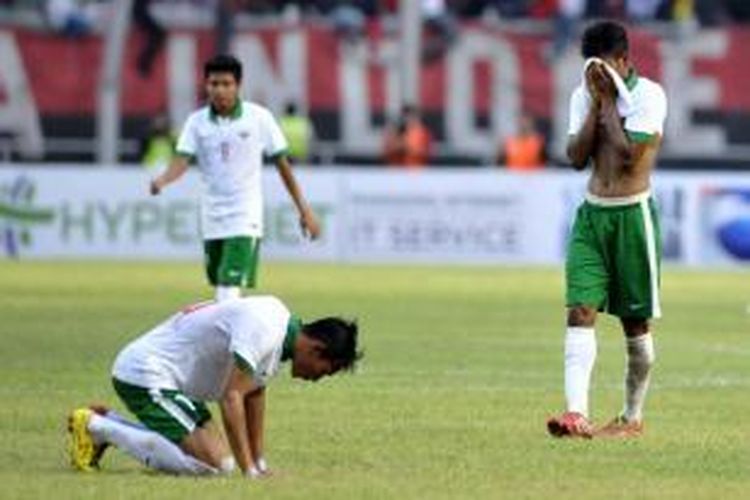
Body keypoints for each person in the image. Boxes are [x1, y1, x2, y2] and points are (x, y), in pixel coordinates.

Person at [67, 295, 361, 477]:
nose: (319, 378)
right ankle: (95, 427)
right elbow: (232, 398)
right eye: (327, 371)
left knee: (219, 463)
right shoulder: (267, 328)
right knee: (215, 468)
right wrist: (250, 475)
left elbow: (254, 393)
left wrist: (258, 463)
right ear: (317, 348)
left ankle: (109, 423)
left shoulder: (281, 330)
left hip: (171, 383)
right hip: (146, 374)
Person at [546, 21, 668, 439]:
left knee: (635, 327)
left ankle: (631, 417)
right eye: (590, 65)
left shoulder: (650, 96)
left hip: (633, 217)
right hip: (592, 216)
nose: (596, 73)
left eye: (604, 65)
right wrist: (595, 108)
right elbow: (577, 157)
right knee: (580, 311)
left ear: (623, 60)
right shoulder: (584, 95)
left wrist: (611, 105)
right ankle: (576, 413)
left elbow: (629, 158)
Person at [150, 55, 321, 302]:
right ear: (206, 85)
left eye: (226, 84)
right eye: (214, 84)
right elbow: (182, 160)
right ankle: (241, 334)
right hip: (211, 216)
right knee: (222, 286)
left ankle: (234, 340)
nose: (219, 90)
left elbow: (283, 165)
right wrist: (163, 180)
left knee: (228, 286)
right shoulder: (196, 122)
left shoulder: (259, 118)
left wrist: (304, 210)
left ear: (238, 85)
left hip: (244, 214)